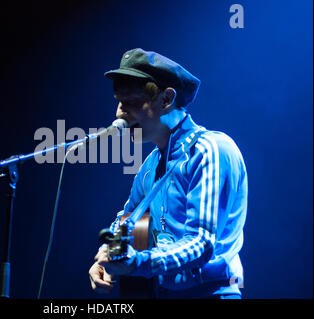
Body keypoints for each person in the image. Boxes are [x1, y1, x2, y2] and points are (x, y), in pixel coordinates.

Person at [88, 48, 248, 299]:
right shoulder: (150, 166)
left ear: (166, 99)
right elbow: (131, 220)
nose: (119, 114)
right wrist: (109, 254)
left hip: (212, 293)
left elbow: (201, 244)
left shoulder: (210, 150)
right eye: (119, 102)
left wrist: (137, 262)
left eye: (130, 102)